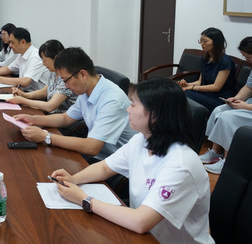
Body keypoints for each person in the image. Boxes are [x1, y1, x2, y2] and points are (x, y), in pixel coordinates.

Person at [50, 78, 214, 244]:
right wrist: (74, 179)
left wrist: (85, 200)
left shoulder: (181, 165)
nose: (128, 109)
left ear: (155, 115)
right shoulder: (141, 140)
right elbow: (105, 167)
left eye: (134, 104)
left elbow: (141, 221)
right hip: (141, 235)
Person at [13, 47, 135, 160]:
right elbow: (66, 118)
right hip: (100, 156)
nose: (65, 86)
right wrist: (33, 119)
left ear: (83, 74)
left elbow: (92, 147)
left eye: (66, 80)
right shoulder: (86, 90)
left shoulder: (112, 100)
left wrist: (46, 137)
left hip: (117, 161)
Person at [199, 36, 252, 174]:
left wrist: (246, 107)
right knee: (219, 110)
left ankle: (228, 161)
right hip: (248, 105)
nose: (247, 61)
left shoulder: (225, 62)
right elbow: (249, 87)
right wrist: (236, 98)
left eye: (248, 57)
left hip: (250, 108)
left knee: (227, 117)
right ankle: (216, 152)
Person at [8, 39, 76, 113]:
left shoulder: (66, 77)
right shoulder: (54, 72)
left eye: (45, 60)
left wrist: (23, 101)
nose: (43, 64)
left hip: (61, 116)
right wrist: (24, 95)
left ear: (56, 58)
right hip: (50, 113)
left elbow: (50, 106)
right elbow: (45, 91)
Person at [179, 27, 237, 112]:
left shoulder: (225, 61)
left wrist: (191, 88)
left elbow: (216, 87)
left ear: (216, 42)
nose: (202, 44)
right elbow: (200, 81)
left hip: (220, 98)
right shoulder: (205, 59)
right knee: (178, 90)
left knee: (184, 94)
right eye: (200, 41)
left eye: (205, 41)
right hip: (206, 94)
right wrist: (187, 85)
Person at [0, 27, 50, 92]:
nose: (10, 45)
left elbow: (25, 82)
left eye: (12, 42)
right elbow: (8, 69)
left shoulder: (35, 57)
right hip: (25, 91)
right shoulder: (21, 54)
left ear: (23, 42)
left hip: (37, 95)